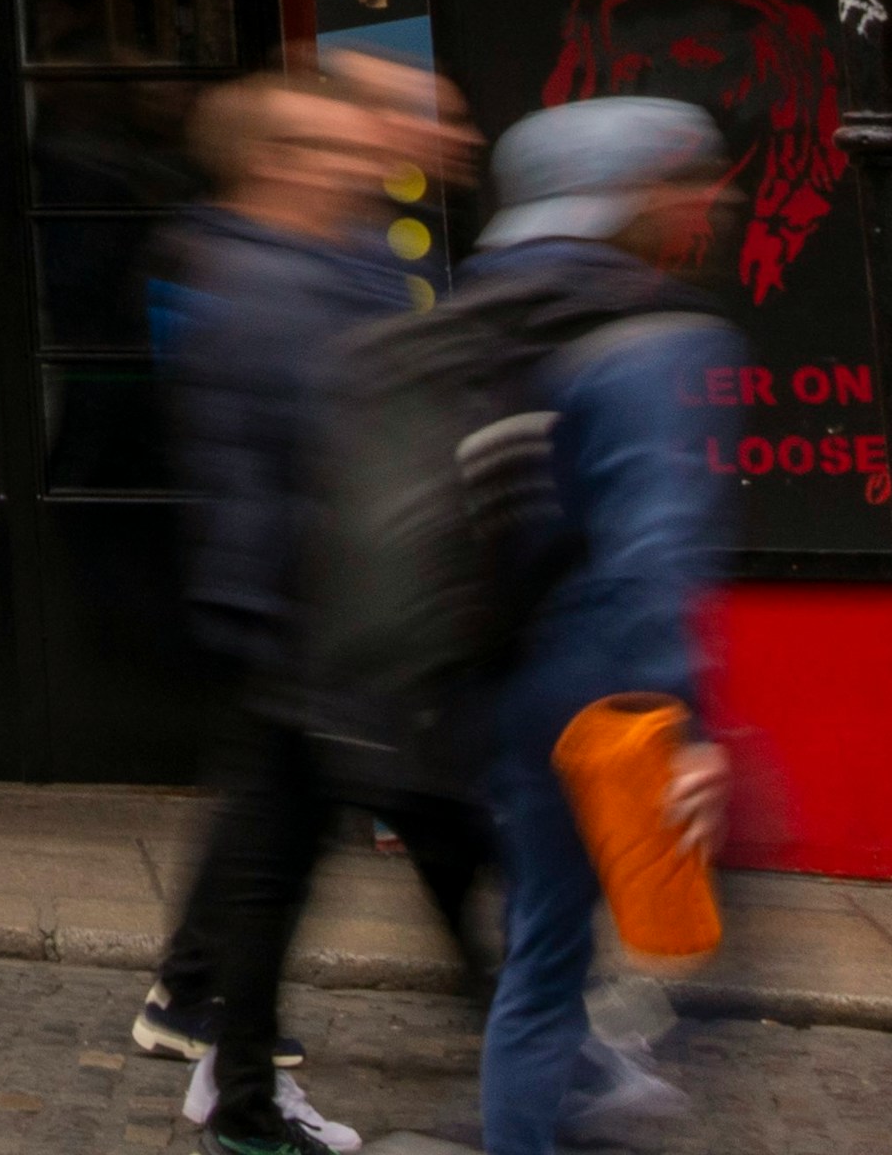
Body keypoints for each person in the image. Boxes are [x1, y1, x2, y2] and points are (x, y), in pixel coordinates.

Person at [446, 97, 745, 1155]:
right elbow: (655, 542)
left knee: (539, 948)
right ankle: (587, 1104)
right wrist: (683, 718)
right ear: (635, 197)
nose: (708, 201)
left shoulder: (479, 309)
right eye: (684, 181)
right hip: (604, 685)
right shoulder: (658, 336)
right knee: (674, 938)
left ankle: (558, 1109)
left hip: (497, 668)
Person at [144, 63, 432, 1155]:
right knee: (292, 860)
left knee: (272, 861)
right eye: (329, 145)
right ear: (271, 163)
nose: (362, 160)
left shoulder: (322, 262)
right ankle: (240, 1084)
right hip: (310, 616)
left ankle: (233, 1071)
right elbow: (332, 460)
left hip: (318, 617)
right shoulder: (267, 288)